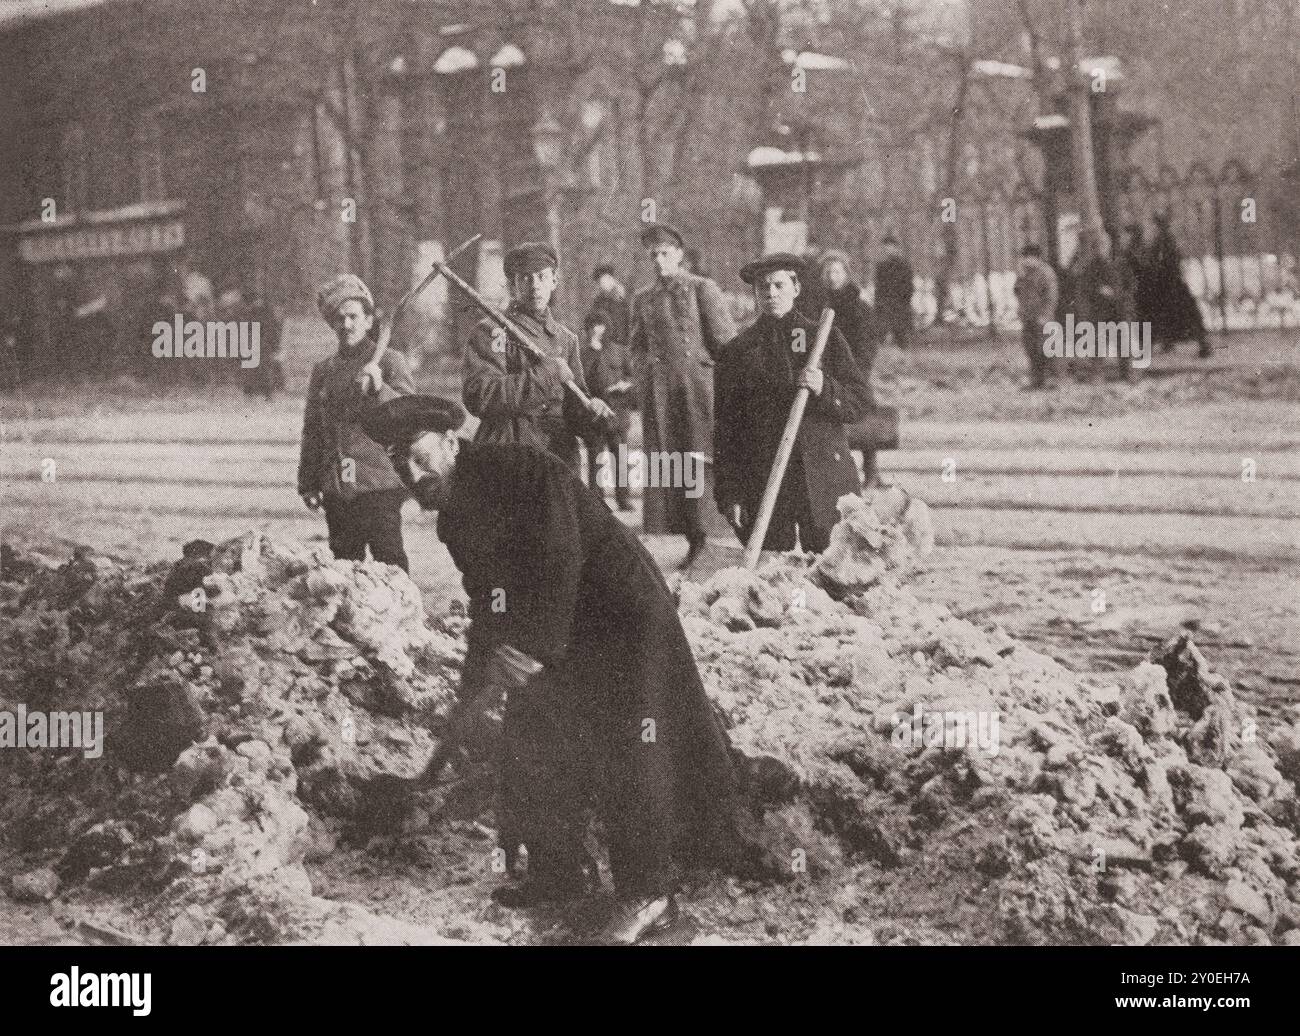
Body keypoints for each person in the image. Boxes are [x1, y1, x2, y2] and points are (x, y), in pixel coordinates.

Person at [361, 394, 742, 945]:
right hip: (559, 630)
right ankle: (562, 873)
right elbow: (489, 602)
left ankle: (650, 893)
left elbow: (559, 559)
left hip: (619, 619)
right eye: (401, 464)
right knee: (532, 733)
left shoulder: (522, 470)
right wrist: (477, 681)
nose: (413, 474)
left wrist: (532, 650)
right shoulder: (454, 520)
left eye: (420, 456)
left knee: (628, 745)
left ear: (449, 441)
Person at [714, 253, 874, 554]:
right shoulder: (737, 352)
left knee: (831, 567)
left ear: (796, 288)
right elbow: (726, 432)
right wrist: (730, 493)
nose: (771, 293)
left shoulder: (823, 338)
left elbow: (860, 401)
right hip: (765, 477)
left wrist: (824, 387)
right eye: (763, 287)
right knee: (771, 570)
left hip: (822, 474)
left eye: (779, 285)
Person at [629, 222, 736, 569]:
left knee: (700, 462)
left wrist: (728, 387)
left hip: (698, 395)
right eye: (654, 255)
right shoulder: (644, 299)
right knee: (671, 465)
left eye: (665, 253)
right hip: (662, 398)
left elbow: (726, 343)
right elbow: (637, 346)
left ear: (680, 255)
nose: (659, 261)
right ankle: (690, 539)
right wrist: (645, 376)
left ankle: (708, 538)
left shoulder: (703, 289)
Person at [297, 273, 416, 572]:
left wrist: (380, 389)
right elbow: (313, 430)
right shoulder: (323, 371)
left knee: (391, 566)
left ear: (367, 320)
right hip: (338, 488)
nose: (346, 325)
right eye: (339, 319)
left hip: (379, 485)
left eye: (353, 316)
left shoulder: (389, 362)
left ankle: (400, 618)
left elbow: (411, 417)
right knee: (344, 571)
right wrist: (308, 483)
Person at [462, 242, 611, 470]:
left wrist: (591, 412)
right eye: (525, 278)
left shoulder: (566, 339)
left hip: (558, 457)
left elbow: (573, 408)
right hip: (509, 453)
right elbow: (480, 396)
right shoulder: (491, 332)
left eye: (542, 277)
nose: (535, 287)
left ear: (554, 281)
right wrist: (547, 374)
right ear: (513, 285)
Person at [819, 250, 885, 486]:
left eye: (837, 272)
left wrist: (858, 372)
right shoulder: (819, 304)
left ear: (846, 274)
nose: (832, 277)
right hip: (827, 373)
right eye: (827, 272)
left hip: (855, 371)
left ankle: (871, 470)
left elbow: (867, 344)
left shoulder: (858, 306)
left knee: (863, 417)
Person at [580, 311, 635, 511]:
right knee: (596, 458)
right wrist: (592, 351)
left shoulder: (619, 351)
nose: (597, 329)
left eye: (601, 325)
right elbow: (581, 380)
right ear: (588, 329)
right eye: (593, 325)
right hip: (594, 413)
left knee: (620, 457)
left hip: (618, 412)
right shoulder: (582, 353)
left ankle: (623, 498)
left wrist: (625, 385)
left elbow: (632, 375)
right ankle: (597, 500)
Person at [1146, 213, 1212, 358]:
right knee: (1186, 316)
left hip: (1167, 285)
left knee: (1166, 315)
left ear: (1158, 226)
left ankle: (1201, 345)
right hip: (1172, 284)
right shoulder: (1166, 240)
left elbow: (1160, 263)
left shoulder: (1162, 242)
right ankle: (1199, 344)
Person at [1013, 243, 1060, 389]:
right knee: (1030, 348)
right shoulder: (1024, 274)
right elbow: (1017, 292)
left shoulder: (1046, 273)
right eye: (1025, 258)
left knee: (1044, 350)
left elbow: (1051, 296)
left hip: (1042, 318)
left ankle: (1049, 379)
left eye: (1029, 257)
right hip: (1028, 317)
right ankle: (1036, 380)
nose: (1026, 260)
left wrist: (1045, 315)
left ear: (1037, 258)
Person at [873, 234, 914, 349]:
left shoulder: (904, 265)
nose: (886, 249)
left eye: (889, 246)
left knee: (902, 336)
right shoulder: (881, 266)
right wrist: (879, 304)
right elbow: (879, 288)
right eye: (885, 247)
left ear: (896, 248)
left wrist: (903, 303)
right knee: (879, 335)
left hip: (900, 306)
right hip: (884, 306)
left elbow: (908, 288)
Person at [588, 263, 630, 351]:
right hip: (607, 346)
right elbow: (593, 321)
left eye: (603, 281)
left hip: (624, 345)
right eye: (599, 282)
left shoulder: (626, 297)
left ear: (611, 279)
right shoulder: (599, 301)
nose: (601, 285)